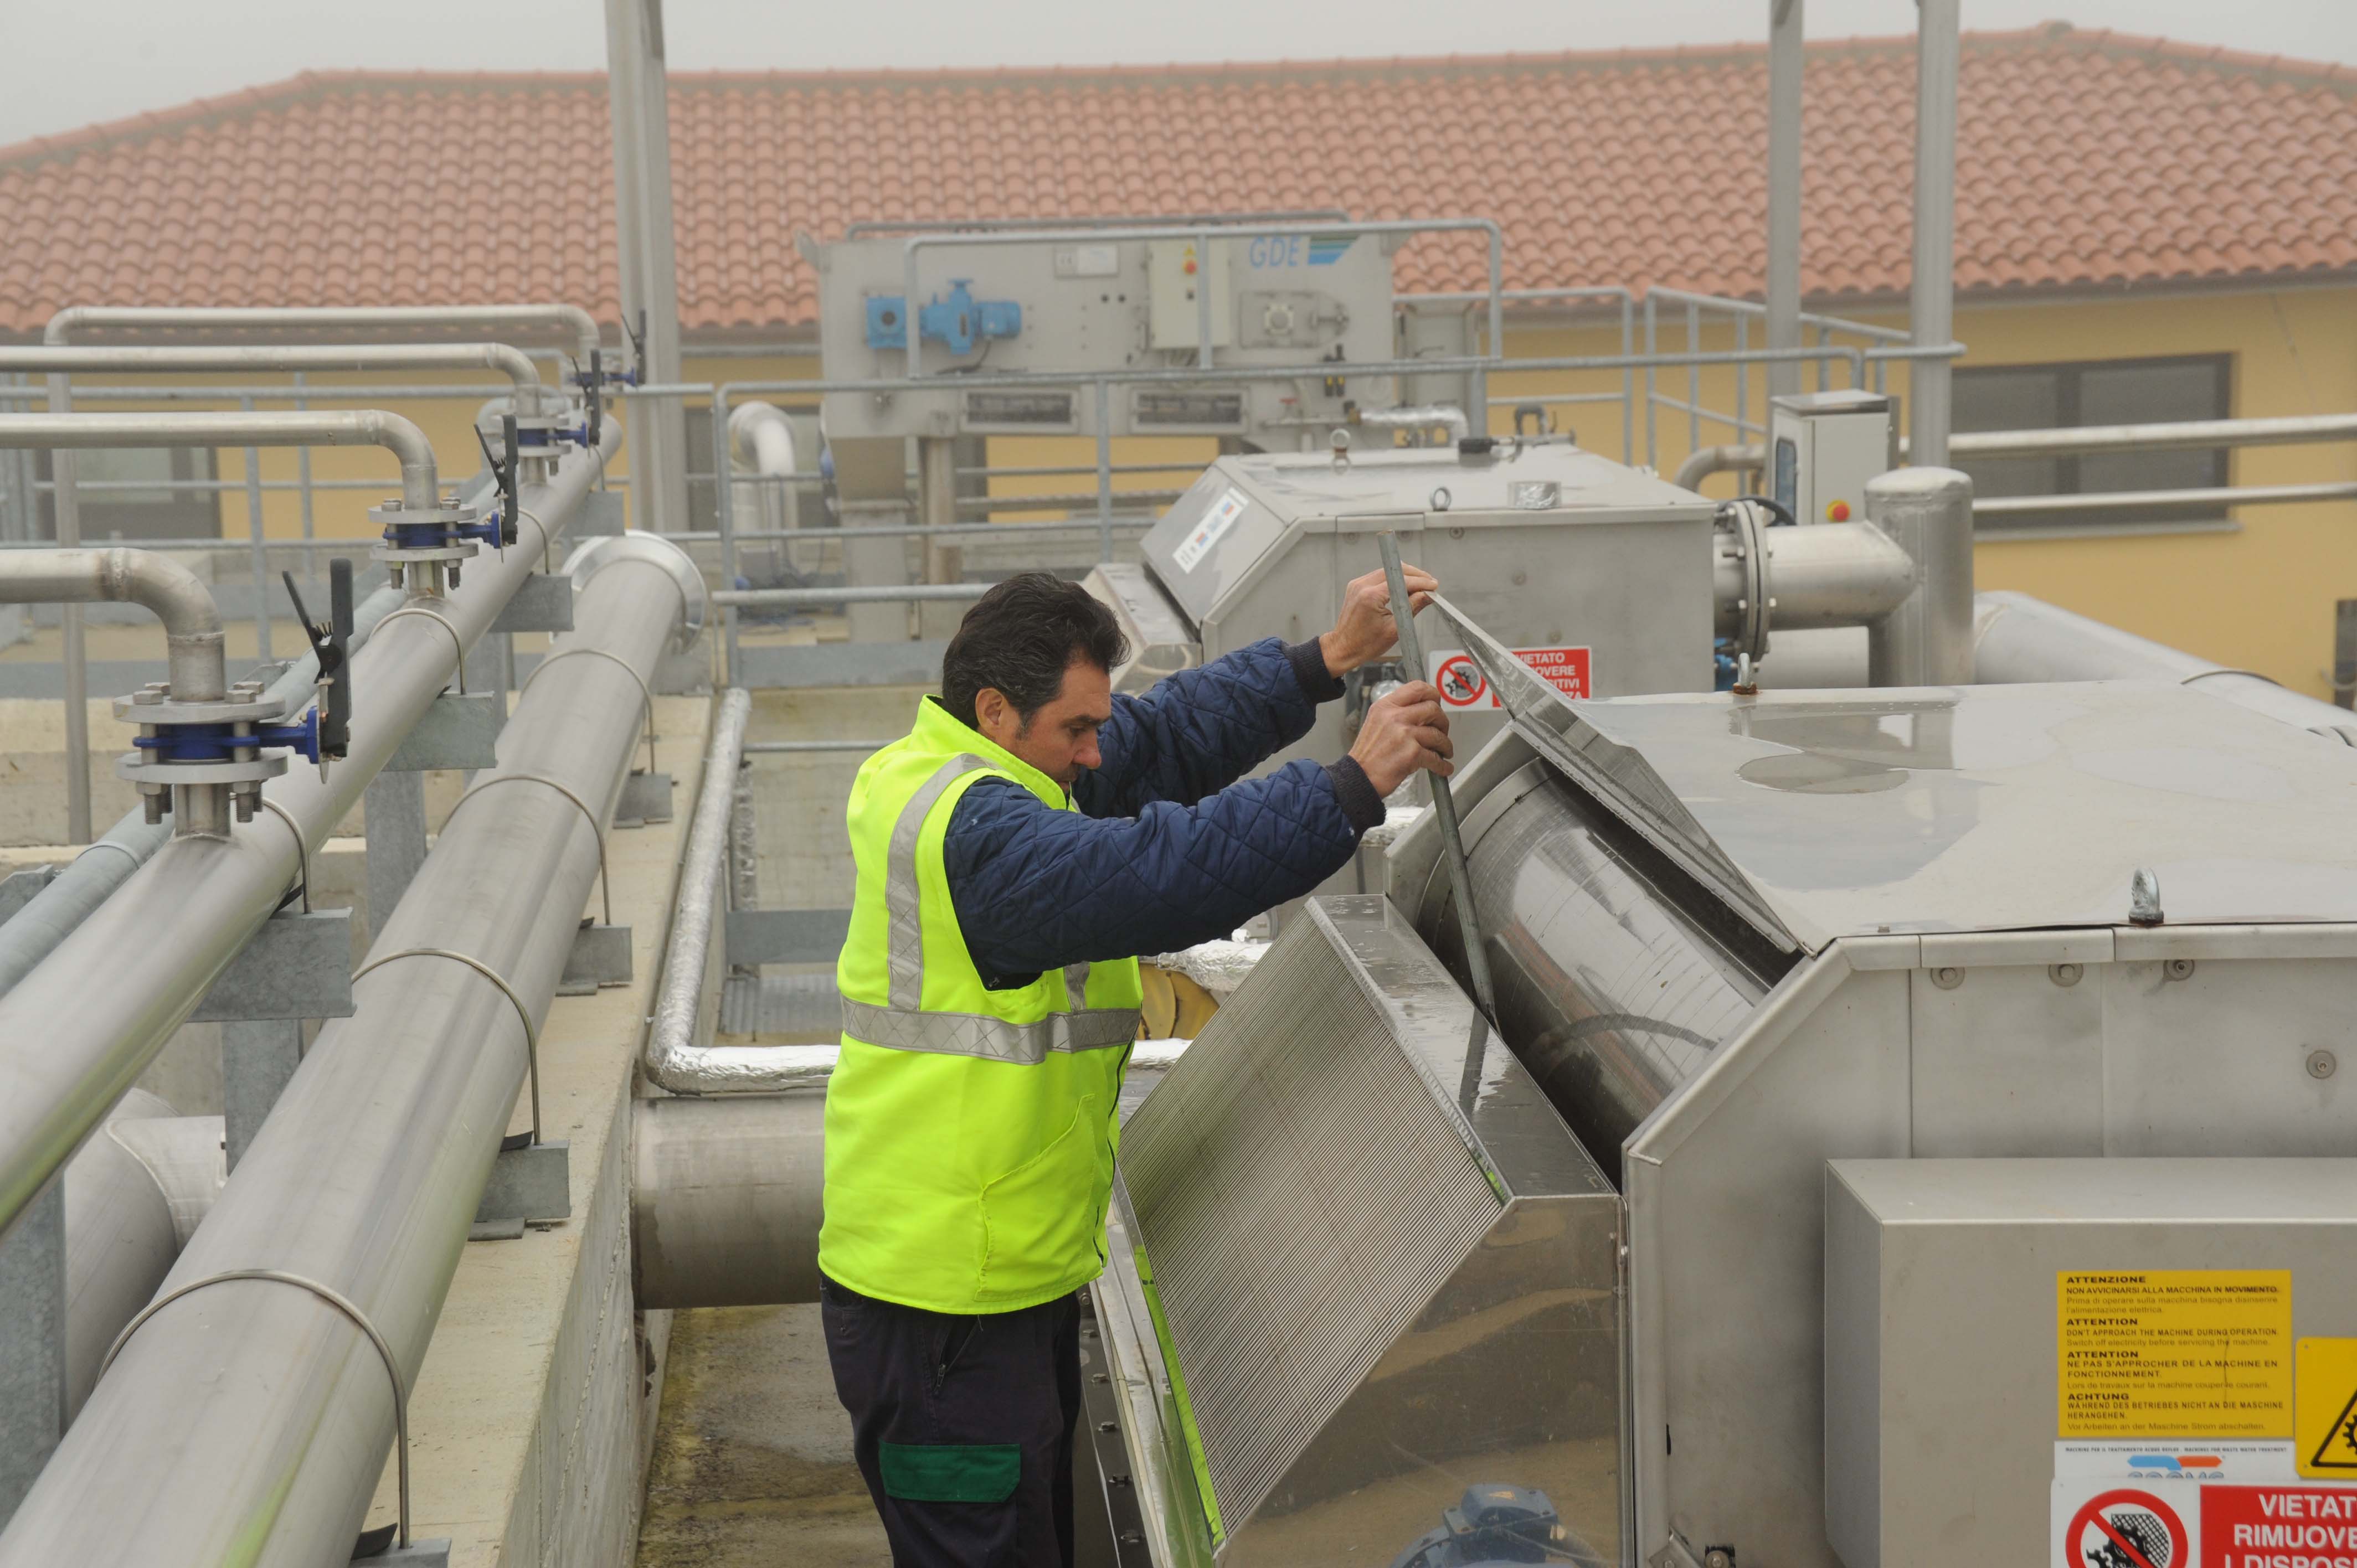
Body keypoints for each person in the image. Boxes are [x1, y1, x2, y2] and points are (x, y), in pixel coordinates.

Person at [819, 566, 1454, 1567]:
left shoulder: (985, 769)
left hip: (989, 1292)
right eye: (1077, 728)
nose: (1097, 750)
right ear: (997, 709)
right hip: (946, 1320)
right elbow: (1157, 875)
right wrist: (1349, 787)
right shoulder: (986, 839)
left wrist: (1324, 660)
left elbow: (1161, 736)